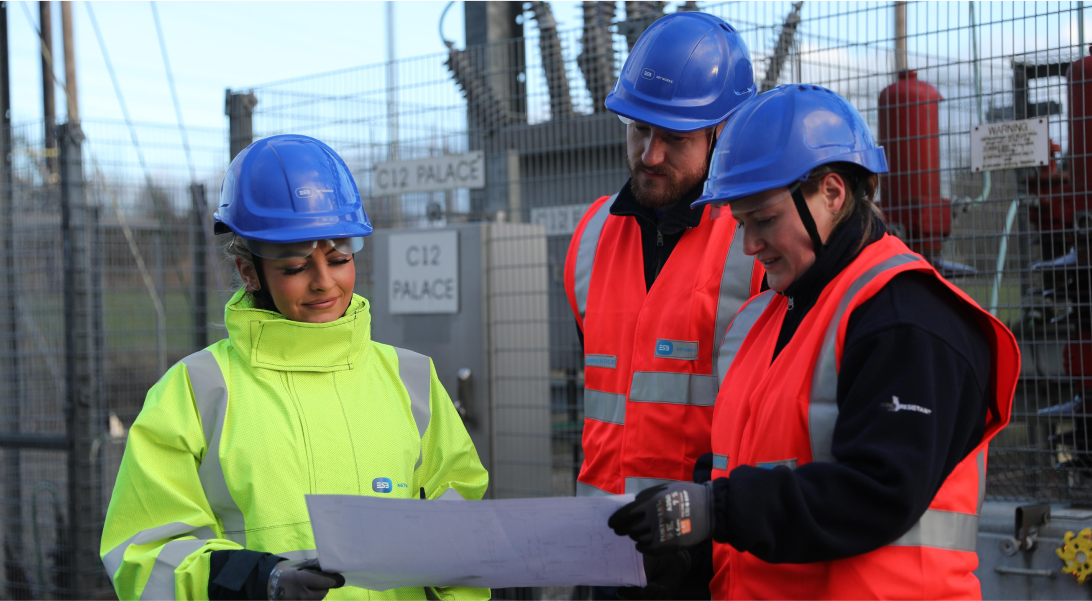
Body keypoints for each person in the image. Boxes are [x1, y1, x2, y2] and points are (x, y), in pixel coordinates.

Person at [608, 84, 1020, 600]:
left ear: (831, 193)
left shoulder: (909, 322)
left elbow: (878, 491)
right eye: (740, 222)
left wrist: (716, 511)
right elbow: (737, 473)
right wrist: (686, 560)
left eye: (763, 220)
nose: (749, 245)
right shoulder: (765, 320)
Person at [100, 134, 489, 601]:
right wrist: (258, 581)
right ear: (250, 272)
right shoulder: (194, 391)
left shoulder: (411, 378)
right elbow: (145, 553)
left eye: (339, 259)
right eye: (294, 266)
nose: (324, 283)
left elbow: (461, 531)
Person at [563, 11, 759, 598]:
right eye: (639, 130)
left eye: (674, 138)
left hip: (708, 561)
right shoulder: (592, 237)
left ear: (723, 131)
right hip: (602, 550)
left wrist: (704, 536)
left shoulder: (756, 248)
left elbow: (771, 423)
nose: (649, 155)